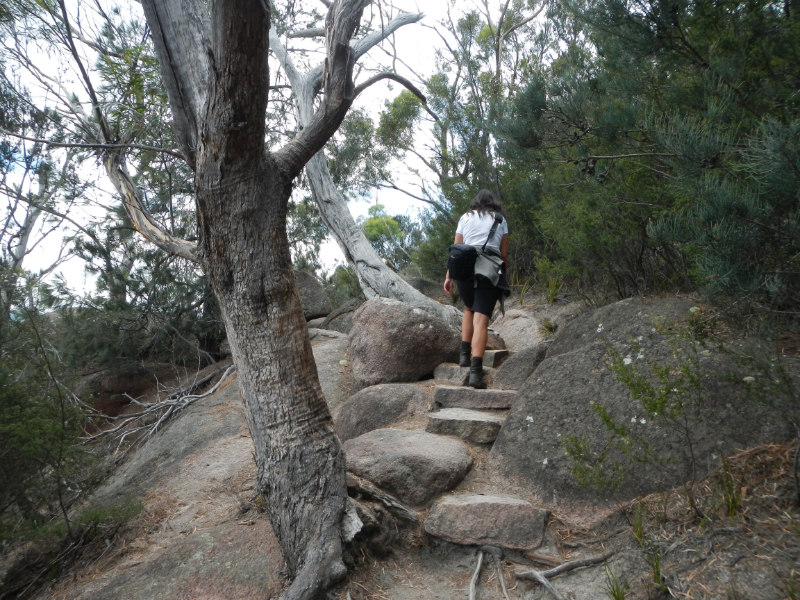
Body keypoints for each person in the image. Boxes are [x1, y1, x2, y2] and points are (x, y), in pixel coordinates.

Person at [443, 189, 509, 389]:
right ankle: (475, 373)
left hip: (464, 270)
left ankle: (464, 355)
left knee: (468, 309)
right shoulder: (500, 220)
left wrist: (449, 276)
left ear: (476, 202)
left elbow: (457, 249)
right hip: (488, 271)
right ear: (493, 203)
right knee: (481, 319)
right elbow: (504, 254)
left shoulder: (465, 217)